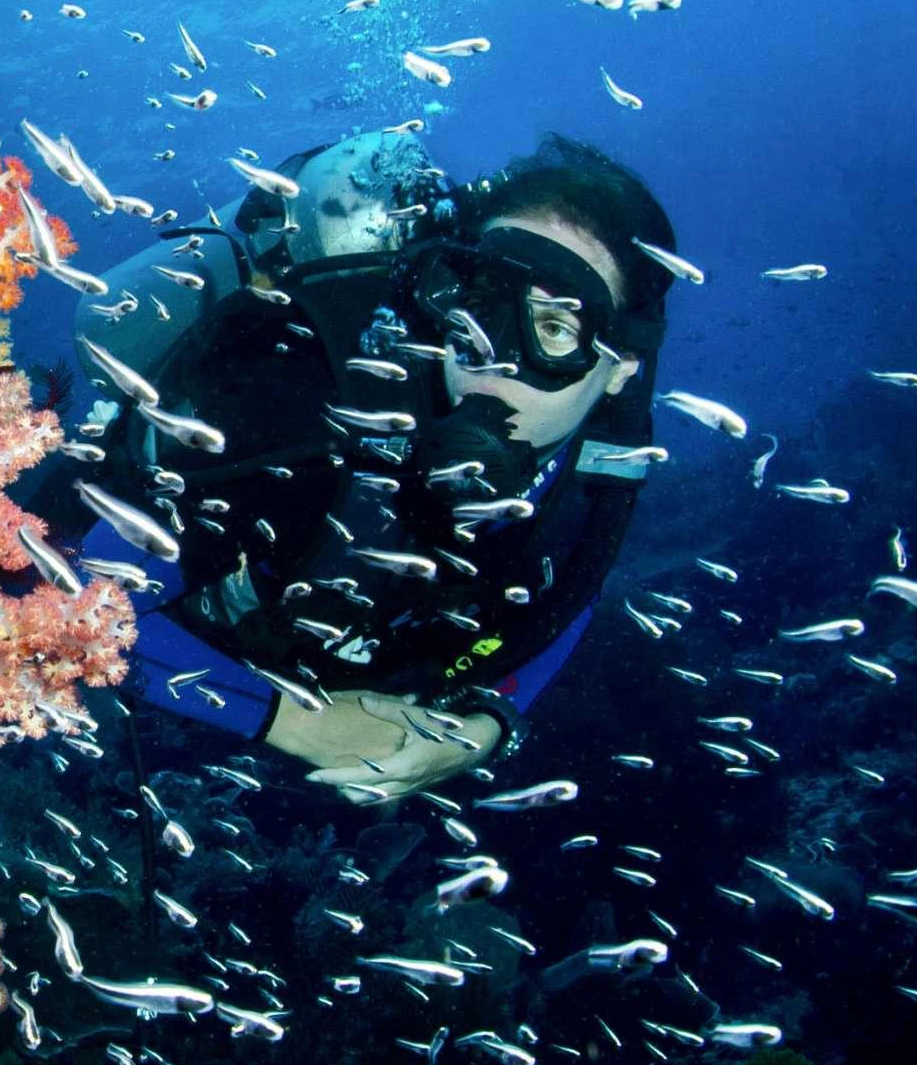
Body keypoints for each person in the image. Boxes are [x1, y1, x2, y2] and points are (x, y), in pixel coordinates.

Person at [52, 127, 680, 802]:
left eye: (554, 330)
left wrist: (488, 727)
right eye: (479, 307)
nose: (489, 361)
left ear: (620, 371)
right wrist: (295, 723)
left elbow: (566, 594)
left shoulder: (610, 453)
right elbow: (69, 608)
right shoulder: (298, 393)